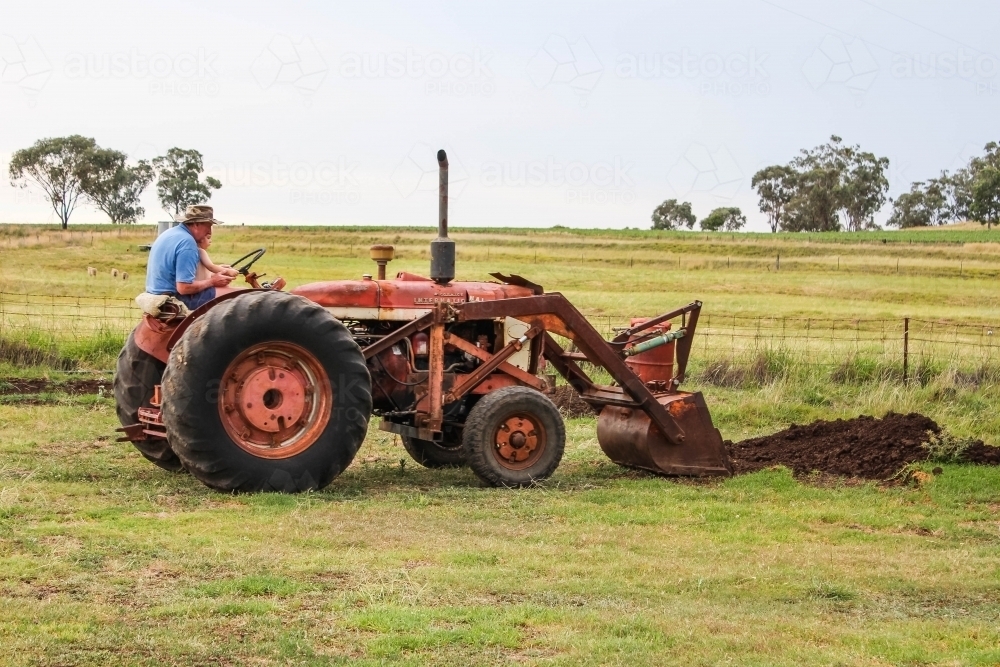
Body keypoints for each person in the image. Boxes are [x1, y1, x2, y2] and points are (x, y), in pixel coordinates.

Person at [145, 205, 232, 310]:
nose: (209, 231)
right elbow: (184, 287)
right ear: (196, 224)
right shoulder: (188, 243)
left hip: (156, 293)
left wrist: (214, 272)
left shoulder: (171, 233)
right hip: (175, 298)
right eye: (208, 226)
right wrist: (212, 281)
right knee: (239, 295)